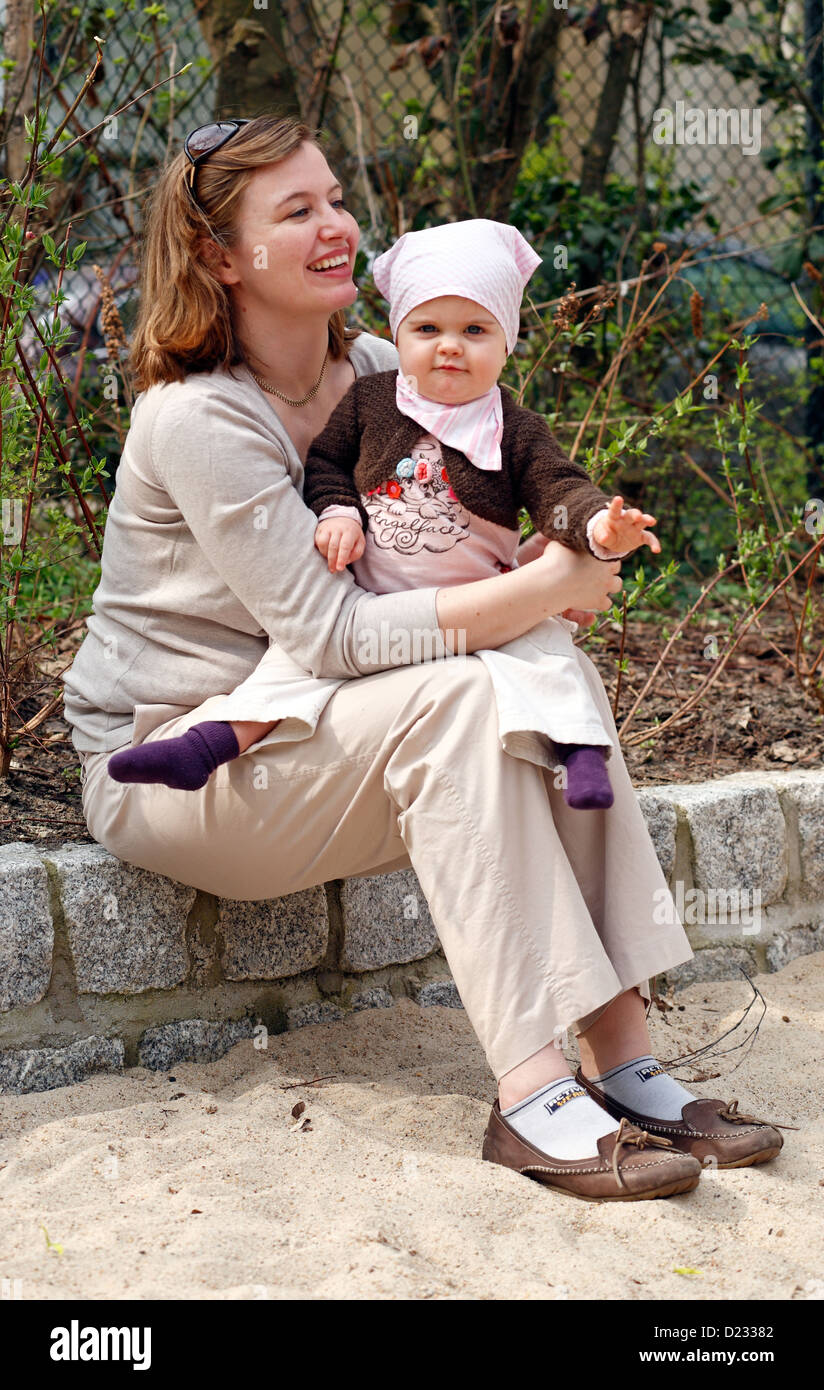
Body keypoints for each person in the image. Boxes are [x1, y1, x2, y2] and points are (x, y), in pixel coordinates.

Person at [62, 114, 785, 1201]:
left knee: (544, 681)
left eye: (336, 200)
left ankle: (624, 1061)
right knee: (462, 691)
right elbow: (331, 633)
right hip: (189, 765)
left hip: (331, 738)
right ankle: (533, 1095)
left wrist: (559, 555)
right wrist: (535, 589)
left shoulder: (387, 370)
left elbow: (480, 526)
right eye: (294, 211)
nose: (334, 227)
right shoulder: (195, 418)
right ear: (220, 257)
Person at [110, 218, 658, 811]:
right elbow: (327, 463)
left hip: (480, 603)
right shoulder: (374, 399)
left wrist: (599, 526)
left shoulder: (516, 428)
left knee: (549, 662)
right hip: (377, 602)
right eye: (427, 329)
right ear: (401, 336)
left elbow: (559, 490)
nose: (449, 345)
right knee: (286, 671)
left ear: (508, 344)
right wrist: (339, 511)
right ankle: (206, 747)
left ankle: (579, 759)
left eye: (475, 329)